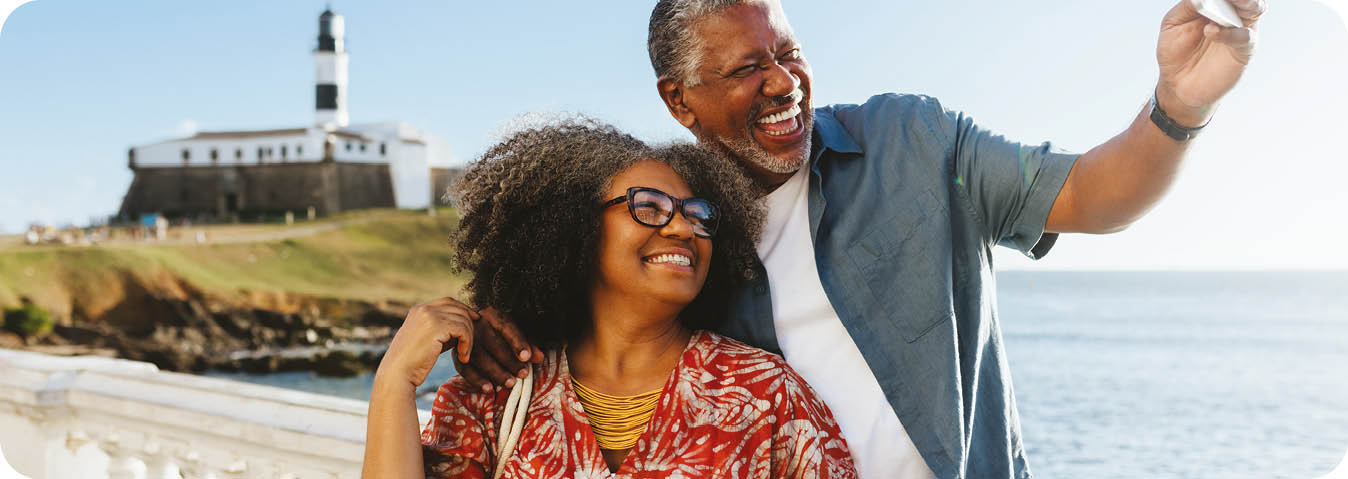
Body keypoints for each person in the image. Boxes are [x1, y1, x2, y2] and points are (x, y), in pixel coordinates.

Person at [457, 1, 1268, 478]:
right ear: (681, 102)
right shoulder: (682, 237)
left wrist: (1177, 105)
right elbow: (589, 324)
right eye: (746, 68)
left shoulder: (912, 142)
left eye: (791, 52)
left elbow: (1095, 194)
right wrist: (502, 328)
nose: (782, 82)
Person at [361, 119, 858, 478]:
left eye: (699, 213)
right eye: (650, 207)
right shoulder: (495, 397)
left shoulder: (766, 396)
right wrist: (394, 383)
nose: (684, 227)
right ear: (575, 227)